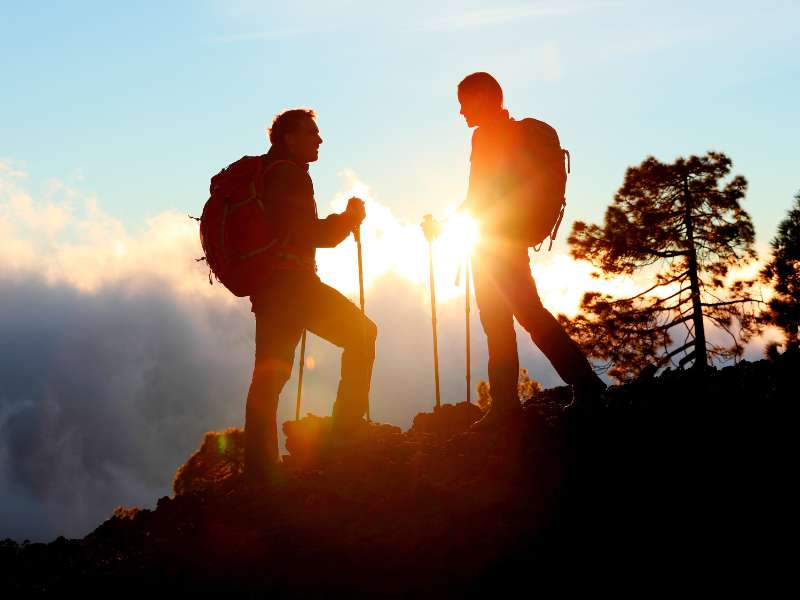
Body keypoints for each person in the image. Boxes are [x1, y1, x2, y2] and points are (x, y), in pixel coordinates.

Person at [456, 72, 605, 430]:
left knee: (515, 318)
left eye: (464, 103)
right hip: (502, 240)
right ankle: (513, 402)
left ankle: (576, 387)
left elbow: (480, 195)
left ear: (485, 99)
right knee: (517, 317)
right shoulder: (503, 134)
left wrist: (457, 222)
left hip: (494, 244)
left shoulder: (488, 137)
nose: (460, 112)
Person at [244, 108, 376, 480]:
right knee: (363, 334)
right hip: (295, 287)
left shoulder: (268, 173)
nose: (319, 140)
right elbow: (309, 234)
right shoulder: (289, 176)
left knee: (268, 379)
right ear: (290, 138)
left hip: (270, 291)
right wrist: (349, 220)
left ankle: (259, 470)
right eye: (312, 133)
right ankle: (344, 432)